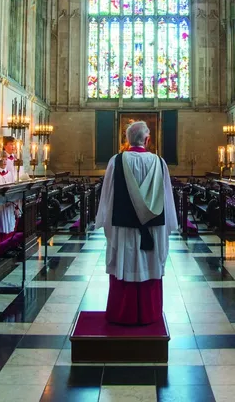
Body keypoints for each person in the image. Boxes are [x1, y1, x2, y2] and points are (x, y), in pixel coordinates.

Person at [94, 121, 177, 325]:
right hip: (153, 227)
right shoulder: (159, 162)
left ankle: (123, 313)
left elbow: (108, 195)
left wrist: (106, 223)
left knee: (125, 263)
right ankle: (150, 313)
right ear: (147, 139)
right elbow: (167, 198)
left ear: (127, 140)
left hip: (124, 227)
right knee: (149, 264)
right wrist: (168, 227)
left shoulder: (117, 161)